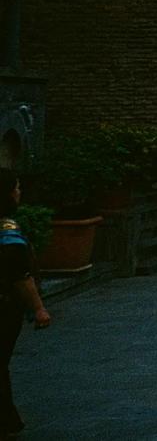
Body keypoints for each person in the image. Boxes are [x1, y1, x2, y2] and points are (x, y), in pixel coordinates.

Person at [0, 169, 49, 437]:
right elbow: (20, 277)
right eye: (16, 187)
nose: (19, 192)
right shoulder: (8, 235)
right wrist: (38, 308)